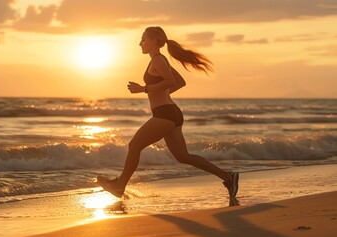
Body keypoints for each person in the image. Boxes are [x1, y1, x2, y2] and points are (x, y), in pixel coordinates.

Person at [97, 26, 239, 203]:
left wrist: (145, 89)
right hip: (171, 112)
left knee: (134, 145)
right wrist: (162, 93)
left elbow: (171, 81)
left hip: (165, 114)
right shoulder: (159, 60)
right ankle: (228, 177)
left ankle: (119, 186)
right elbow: (180, 82)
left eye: (143, 39)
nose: (140, 43)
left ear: (153, 42)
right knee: (183, 157)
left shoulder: (157, 60)